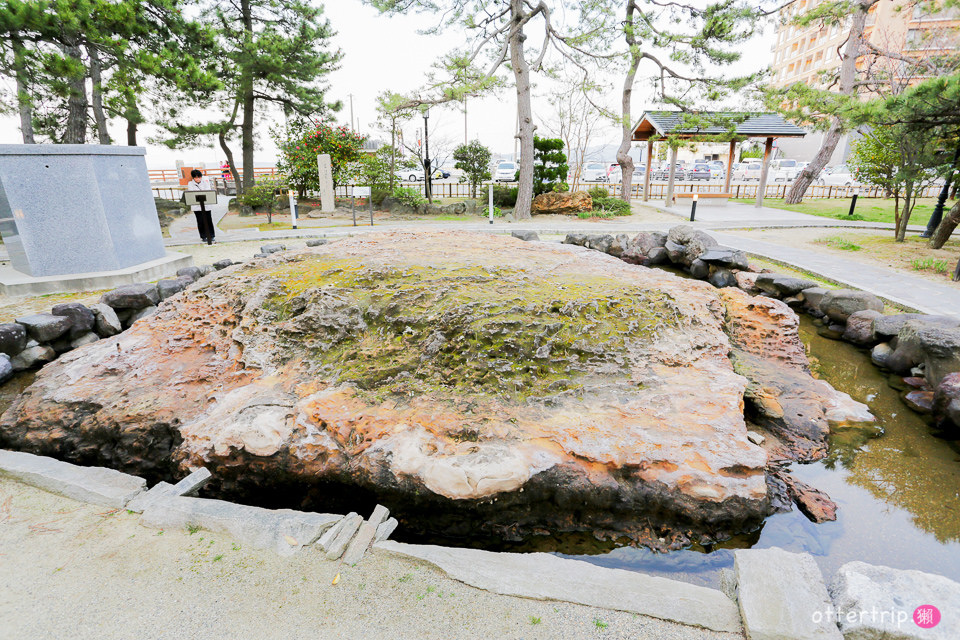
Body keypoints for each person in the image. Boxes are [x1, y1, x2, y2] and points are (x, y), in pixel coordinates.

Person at [186, 169, 215, 245]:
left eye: (199, 177)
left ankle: (212, 235)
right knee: (200, 221)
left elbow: (208, 191)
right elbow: (192, 193)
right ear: (193, 178)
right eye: (196, 177)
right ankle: (203, 236)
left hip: (206, 205)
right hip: (197, 206)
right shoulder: (190, 184)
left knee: (209, 220)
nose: (198, 179)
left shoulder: (205, 183)